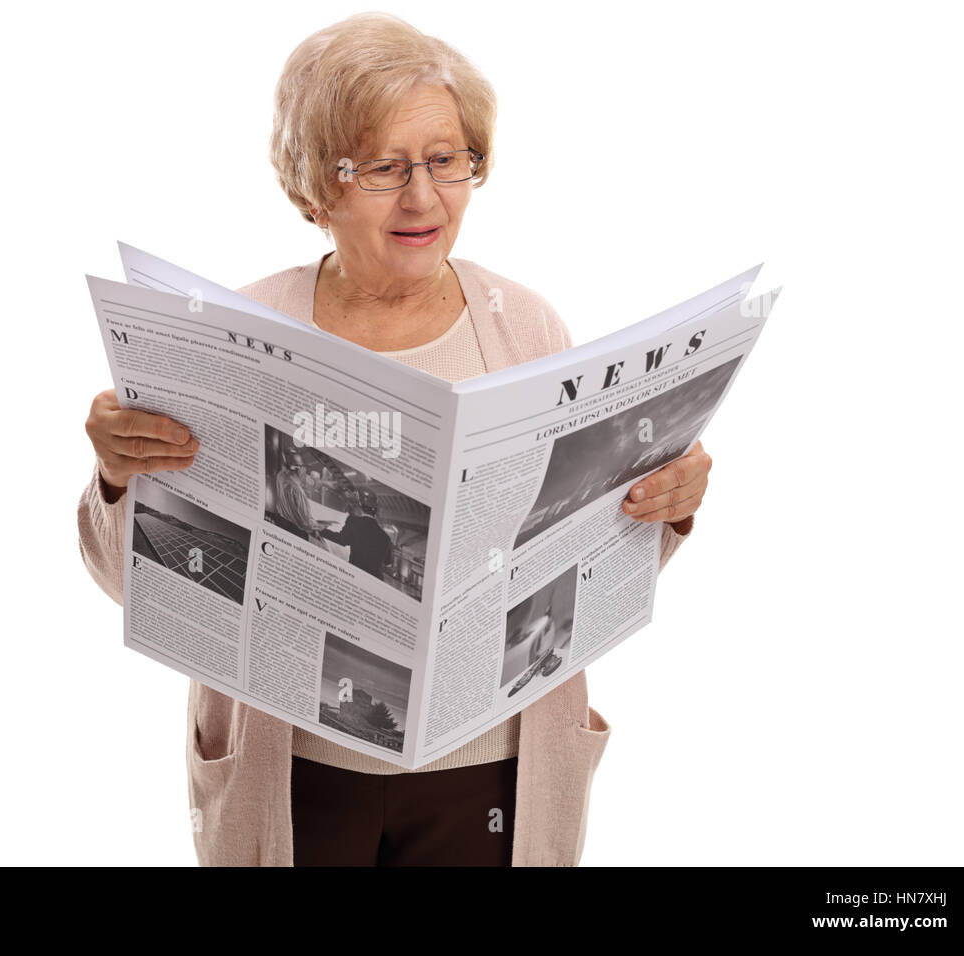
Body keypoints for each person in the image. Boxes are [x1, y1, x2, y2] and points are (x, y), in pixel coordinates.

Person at [78, 12, 710, 867]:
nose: (424, 197)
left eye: (447, 160)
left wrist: (660, 504)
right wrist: (117, 478)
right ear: (314, 188)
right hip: (299, 778)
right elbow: (141, 584)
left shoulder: (525, 326)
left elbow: (578, 569)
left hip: (489, 780)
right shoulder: (237, 331)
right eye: (382, 167)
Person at [318, 487, 392, 579]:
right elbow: (388, 563)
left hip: (355, 576)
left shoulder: (354, 522)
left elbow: (341, 539)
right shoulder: (386, 538)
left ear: (360, 505)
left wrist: (320, 529)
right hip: (376, 581)